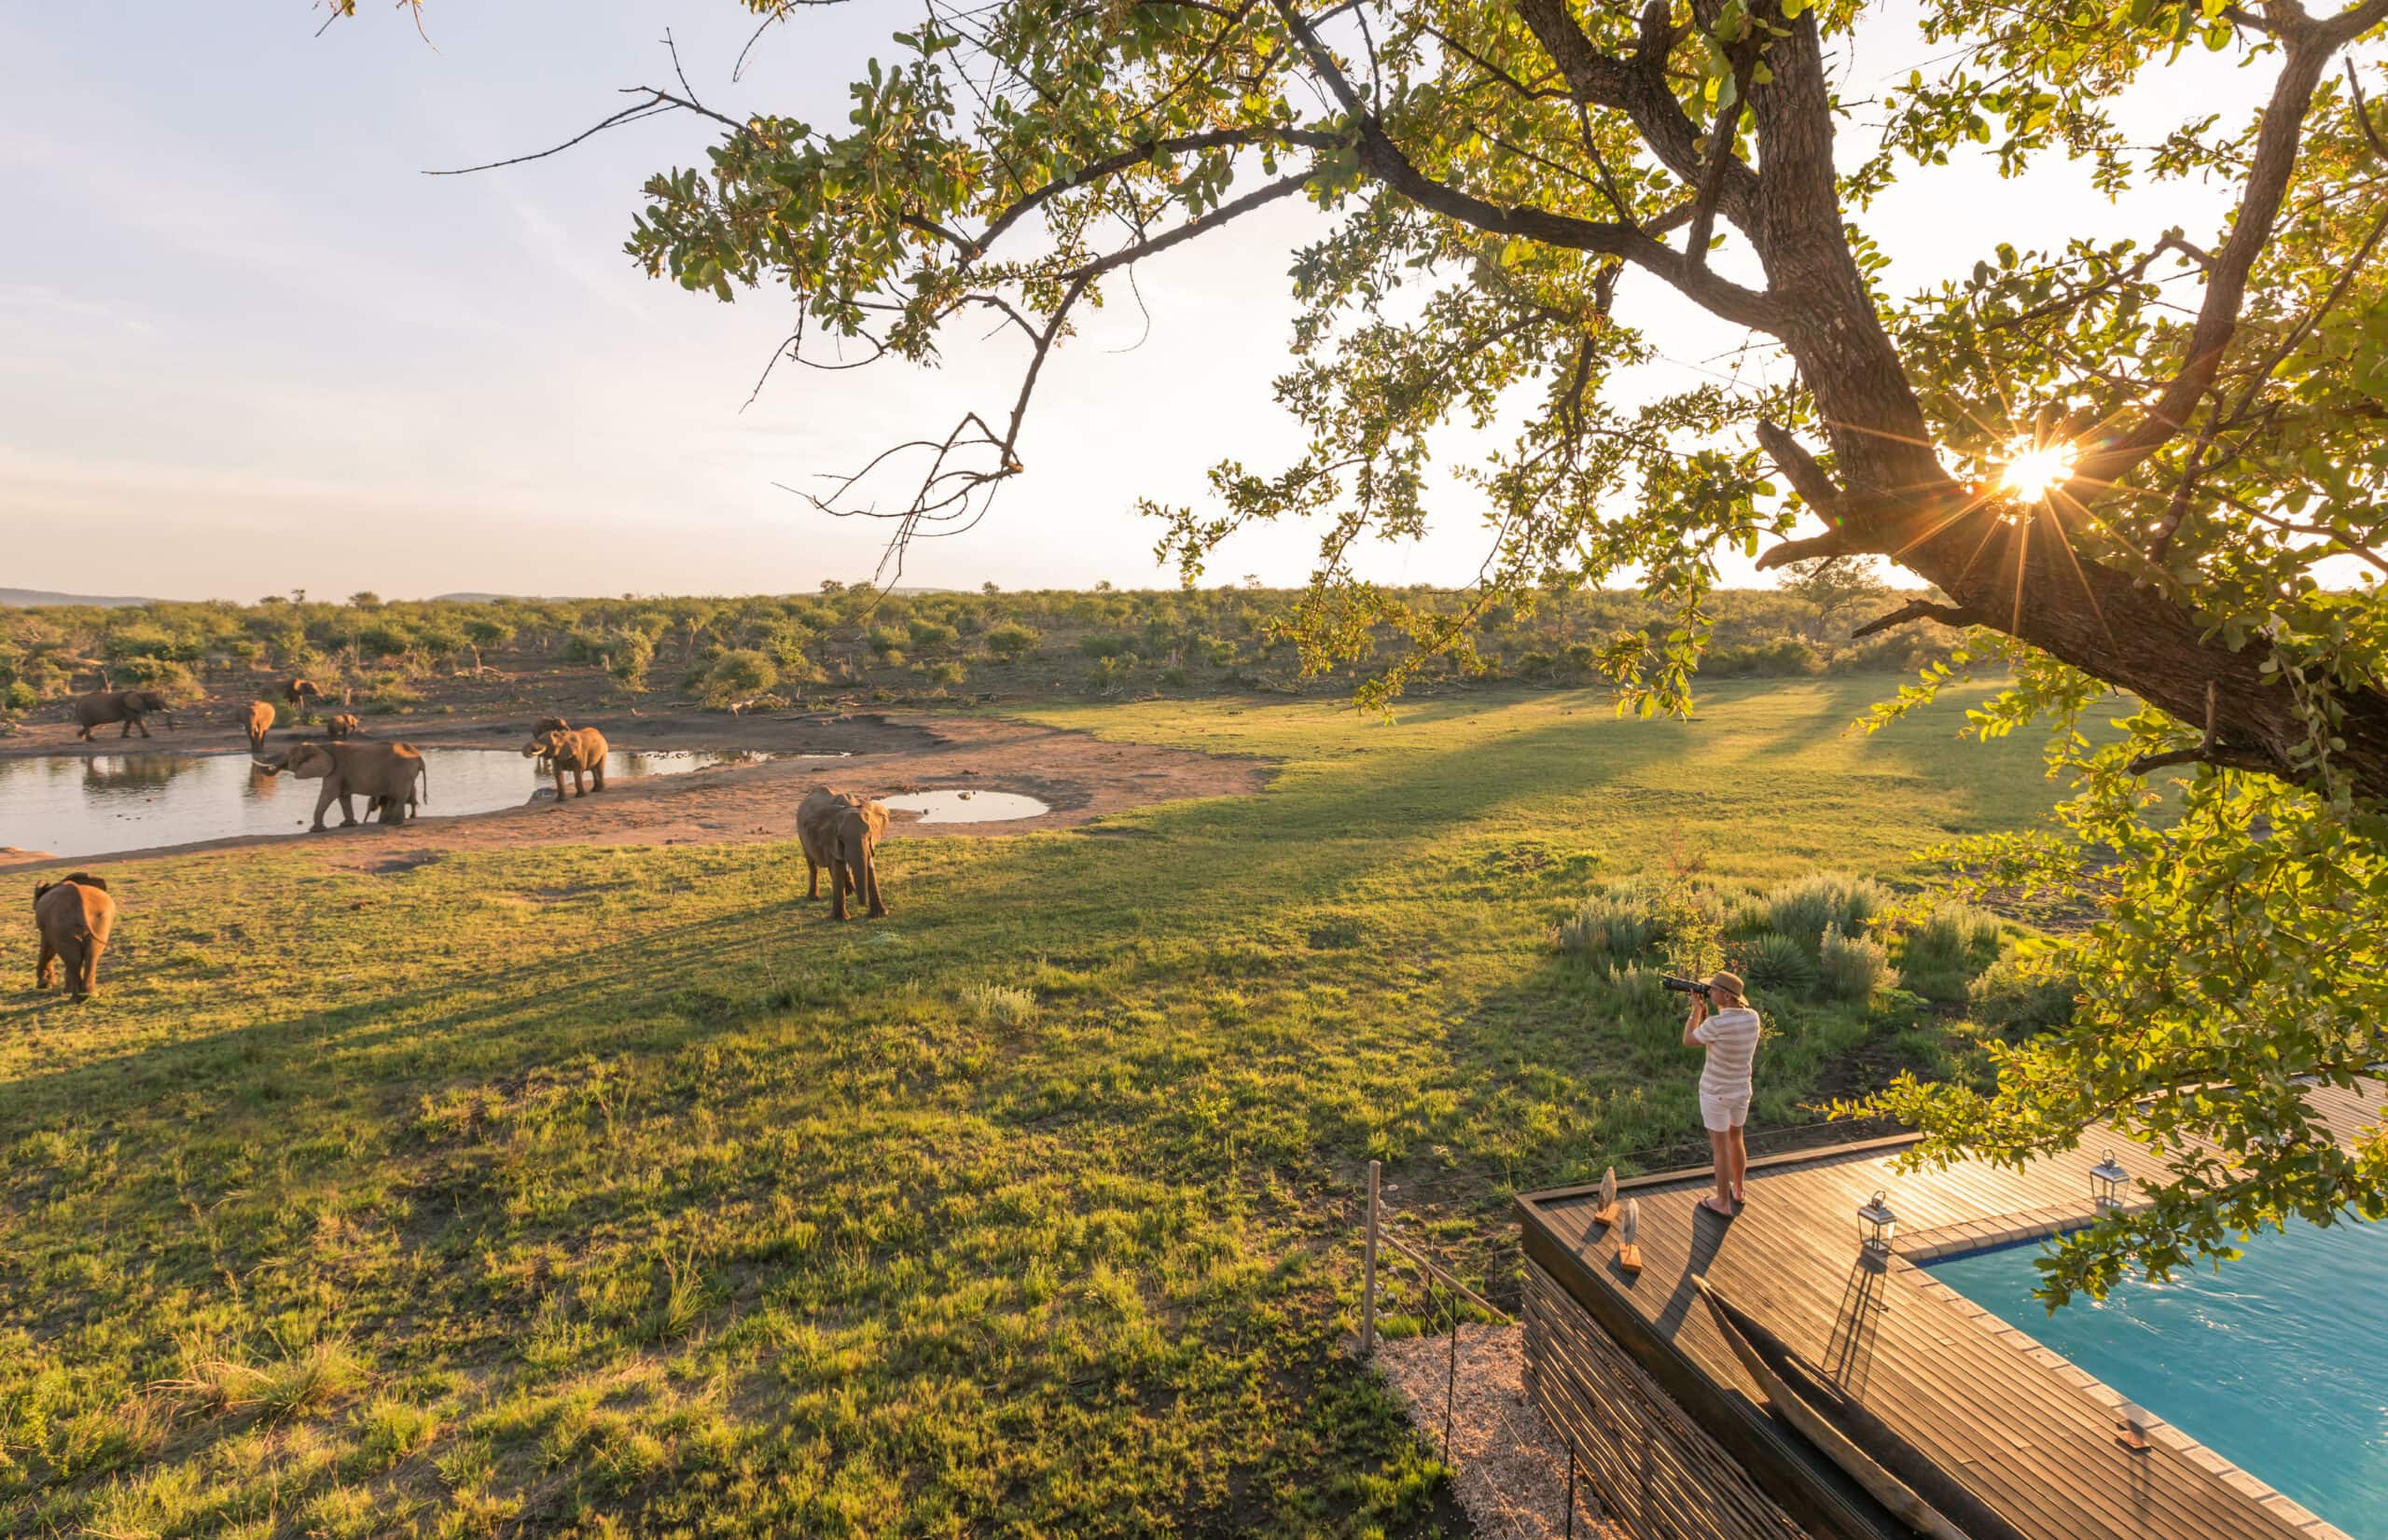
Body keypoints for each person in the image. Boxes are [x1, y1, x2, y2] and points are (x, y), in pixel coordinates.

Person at [1682, 970, 1759, 1217]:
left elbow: (1688, 1040)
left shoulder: (1716, 1024)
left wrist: (1696, 1010)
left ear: (1725, 996)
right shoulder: (1752, 1018)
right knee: (1737, 1138)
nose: (1709, 992)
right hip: (1741, 1090)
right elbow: (1723, 1029)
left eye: (1713, 989)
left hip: (1715, 1092)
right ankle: (1738, 1190)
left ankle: (1722, 1203)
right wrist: (1707, 1013)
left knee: (1720, 1147)